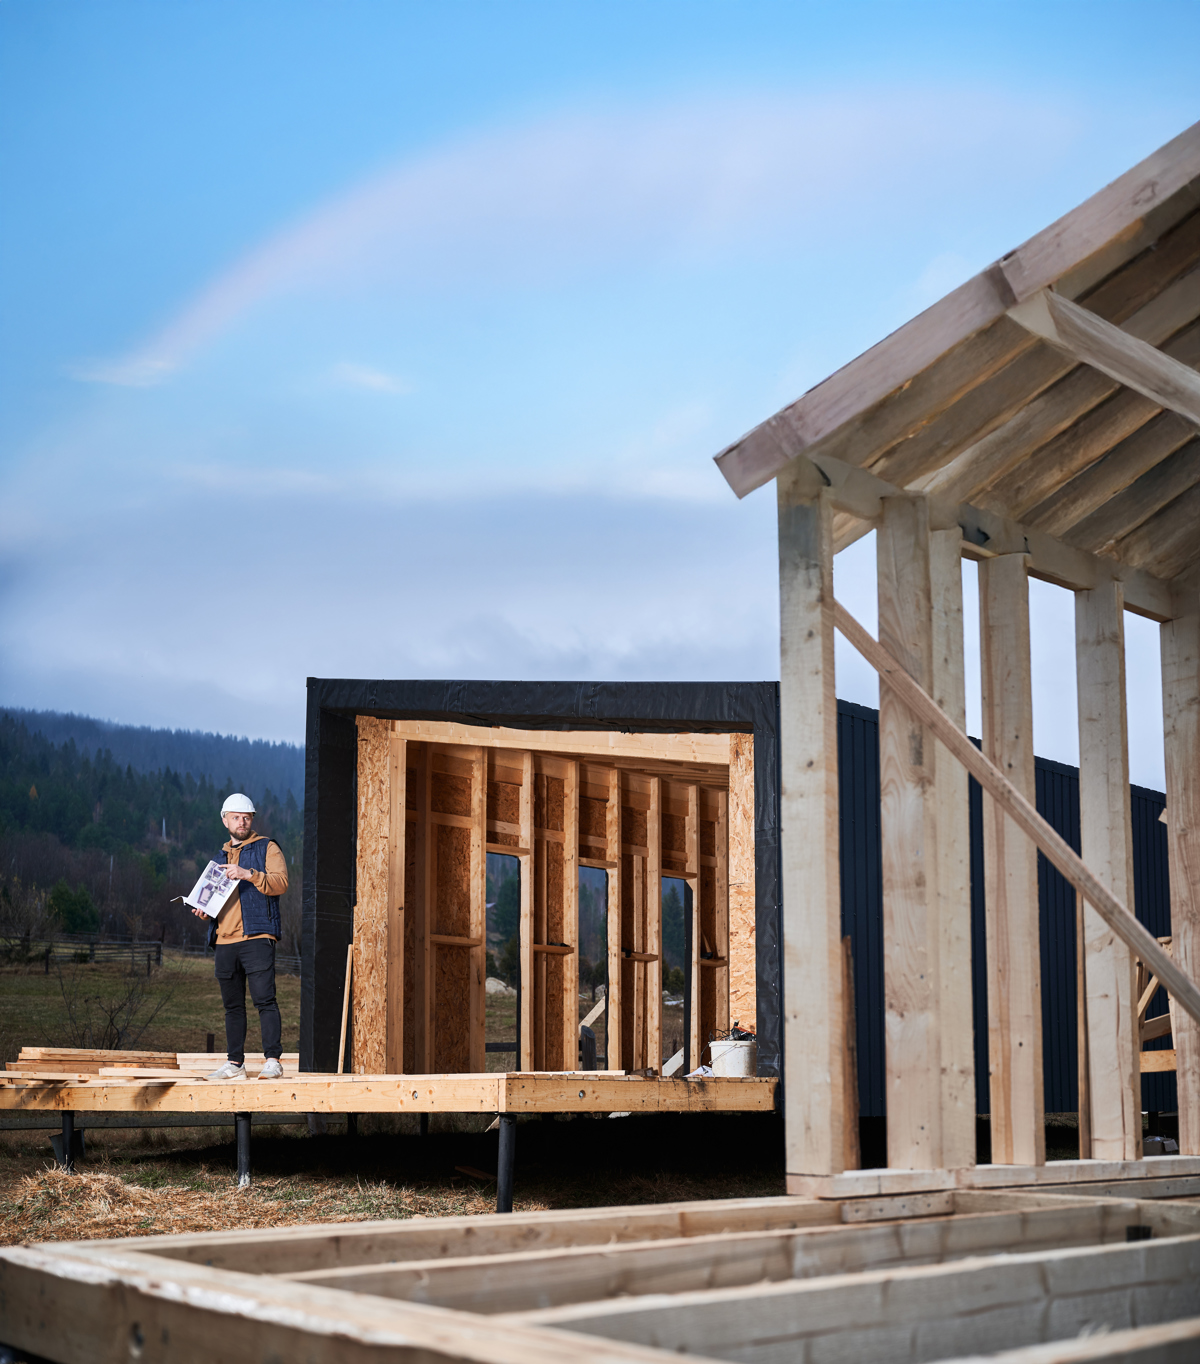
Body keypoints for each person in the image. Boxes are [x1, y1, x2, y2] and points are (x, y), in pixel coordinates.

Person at [190, 793, 288, 1081]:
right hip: (224, 941)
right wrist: (204, 913)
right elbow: (212, 901)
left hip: (258, 936)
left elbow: (281, 883)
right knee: (232, 1007)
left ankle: (273, 1061)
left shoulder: (266, 847)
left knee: (265, 1000)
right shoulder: (218, 859)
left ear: (252, 819)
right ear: (225, 820)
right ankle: (235, 1064)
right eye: (236, 817)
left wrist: (248, 874)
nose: (242, 821)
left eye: (246, 817)